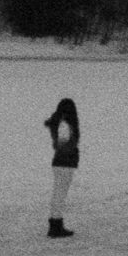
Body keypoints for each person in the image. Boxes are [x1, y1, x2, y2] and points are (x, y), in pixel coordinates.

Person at [43, 98, 80, 237]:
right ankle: (56, 225)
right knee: (59, 194)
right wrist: (73, 152)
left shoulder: (59, 122)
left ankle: (55, 223)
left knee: (58, 194)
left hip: (60, 163)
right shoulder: (65, 124)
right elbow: (64, 144)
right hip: (65, 164)